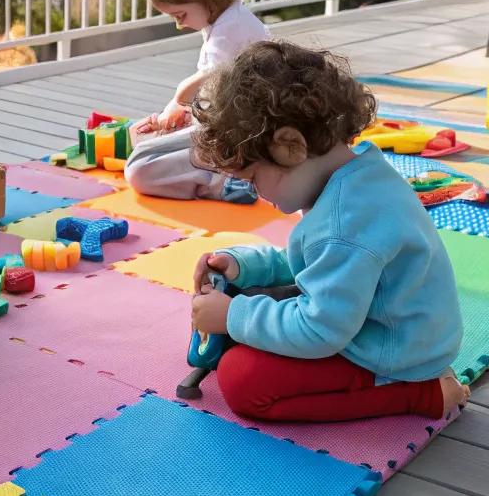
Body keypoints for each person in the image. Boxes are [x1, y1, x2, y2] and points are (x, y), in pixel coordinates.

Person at [189, 40, 470, 423]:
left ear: (291, 148)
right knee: (244, 299)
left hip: (393, 350)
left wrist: (233, 317)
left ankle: (418, 395)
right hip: (386, 324)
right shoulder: (358, 175)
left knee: (242, 380)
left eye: (254, 177)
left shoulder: (343, 224)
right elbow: (319, 264)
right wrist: (244, 268)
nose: (256, 192)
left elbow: (319, 330)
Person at [125, 0, 267, 202]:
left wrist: (178, 101)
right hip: (233, 128)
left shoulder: (228, 30)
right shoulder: (227, 20)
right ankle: (223, 175)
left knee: (139, 168)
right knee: (141, 136)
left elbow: (211, 77)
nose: (179, 24)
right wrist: (173, 114)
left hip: (240, 140)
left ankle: (227, 183)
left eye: (181, 14)